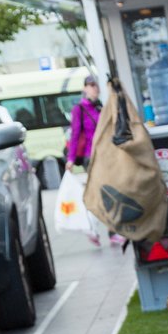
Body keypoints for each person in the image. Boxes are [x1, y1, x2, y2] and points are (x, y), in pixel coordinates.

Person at [64, 75, 104, 248]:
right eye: (91, 85)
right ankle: (92, 228)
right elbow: (74, 135)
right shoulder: (79, 108)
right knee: (100, 191)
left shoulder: (100, 106)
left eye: (96, 85)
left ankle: (99, 228)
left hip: (104, 155)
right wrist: (71, 159)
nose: (94, 88)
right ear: (85, 88)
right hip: (90, 156)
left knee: (103, 191)